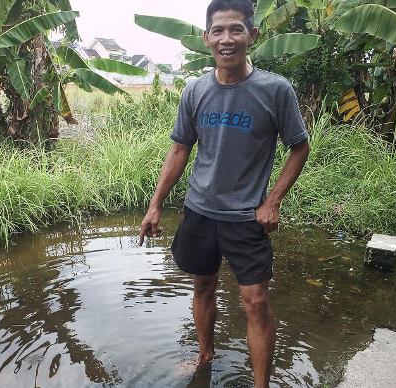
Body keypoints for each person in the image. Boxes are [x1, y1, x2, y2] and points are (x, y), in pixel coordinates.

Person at [138, 0, 310, 386]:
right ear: (206, 38)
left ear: (252, 35)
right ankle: (205, 356)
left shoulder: (274, 90)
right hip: (200, 212)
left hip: (246, 217)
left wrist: (273, 200)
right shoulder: (195, 90)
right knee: (202, 285)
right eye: (218, 31)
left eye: (235, 30)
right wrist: (155, 206)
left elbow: (300, 146)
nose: (226, 39)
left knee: (256, 301)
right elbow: (180, 150)